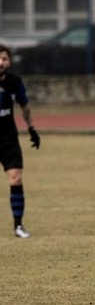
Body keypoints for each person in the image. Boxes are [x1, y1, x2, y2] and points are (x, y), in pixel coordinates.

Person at [0, 44, 40, 239]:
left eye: (4, 59)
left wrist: (32, 129)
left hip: (8, 138)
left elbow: (25, 107)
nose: (1, 62)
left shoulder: (14, 82)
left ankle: (18, 226)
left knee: (16, 178)